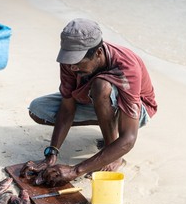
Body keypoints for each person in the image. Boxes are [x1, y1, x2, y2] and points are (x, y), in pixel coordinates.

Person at [24, 18, 157, 186]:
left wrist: (75, 171)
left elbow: (129, 138)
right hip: (93, 99)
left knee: (101, 86)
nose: (72, 68)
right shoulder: (70, 62)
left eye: (78, 63)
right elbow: (67, 109)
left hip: (137, 111)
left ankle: (114, 151)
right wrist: (52, 153)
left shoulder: (126, 66)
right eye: (69, 61)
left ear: (99, 53)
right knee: (38, 110)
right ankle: (110, 129)